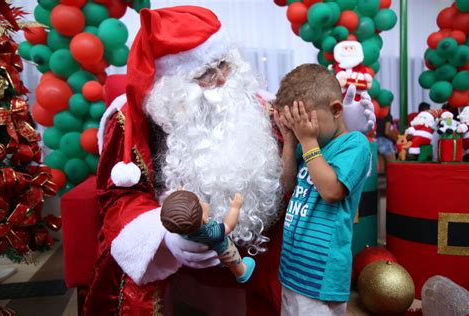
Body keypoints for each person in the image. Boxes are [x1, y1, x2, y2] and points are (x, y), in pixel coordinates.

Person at [84, 6, 375, 315]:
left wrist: (342, 133)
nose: (223, 79)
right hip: (176, 274)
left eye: (224, 64)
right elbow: (118, 200)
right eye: (206, 74)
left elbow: (307, 164)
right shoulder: (130, 125)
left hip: (266, 263)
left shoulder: (257, 106)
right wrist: (164, 238)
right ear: (171, 85)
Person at [273, 64, 371, 316]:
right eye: (294, 123)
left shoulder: (354, 144)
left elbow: (331, 191)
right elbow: (287, 185)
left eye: (303, 120)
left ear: (336, 109)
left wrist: (307, 141)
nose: (300, 128)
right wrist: (291, 142)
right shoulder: (308, 146)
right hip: (292, 267)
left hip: (321, 272)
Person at [160, 191, 256, 283]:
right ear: (204, 218)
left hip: (210, 249)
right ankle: (241, 272)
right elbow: (229, 226)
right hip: (224, 249)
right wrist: (235, 208)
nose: (202, 201)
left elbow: (180, 216)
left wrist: (181, 197)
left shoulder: (183, 230)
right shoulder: (210, 232)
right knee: (233, 261)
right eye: (200, 202)